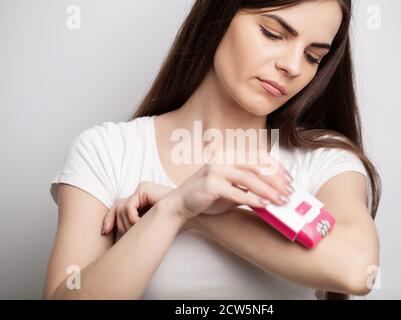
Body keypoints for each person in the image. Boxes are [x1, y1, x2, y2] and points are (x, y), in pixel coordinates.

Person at [44, 0, 381, 300]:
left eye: (312, 56)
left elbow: (357, 271)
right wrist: (174, 209)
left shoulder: (324, 160)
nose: (293, 66)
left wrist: (197, 217)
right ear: (219, 15)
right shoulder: (108, 150)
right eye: (273, 34)